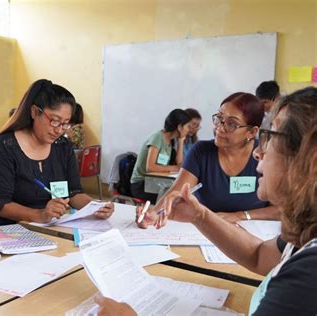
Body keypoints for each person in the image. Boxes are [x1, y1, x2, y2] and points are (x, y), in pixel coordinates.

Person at [97, 86, 317, 316]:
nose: (258, 152)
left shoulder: (308, 275)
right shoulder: (303, 237)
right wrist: (199, 215)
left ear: (308, 160)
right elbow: (260, 255)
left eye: (270, 136)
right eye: (219, 119)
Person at [0, 79, 114, 225]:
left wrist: (96, 207)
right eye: (55, 120)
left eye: (65, 124)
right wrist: (40, 215)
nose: (59, 130)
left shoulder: (63, 147)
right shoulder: (5, 147)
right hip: (9, 228)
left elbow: (74, 193)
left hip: (51, 225)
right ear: (34, 112)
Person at [140, 93, 278, 224]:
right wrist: (153, 213)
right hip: (206, 233)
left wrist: (240, 215)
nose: (219, 128)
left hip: (255, 235)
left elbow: (280, 210)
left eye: (231, 124)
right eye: (219, 118)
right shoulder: (201, 152)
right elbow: (176, 193)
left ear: (252, 132)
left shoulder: (265, 155)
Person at [130, 109, 192, 203]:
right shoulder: (158, 137)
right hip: (141, 184)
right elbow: (150, 167)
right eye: (187, 126)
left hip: (154, 182)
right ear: (179, 127)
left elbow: (180, 164)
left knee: (179, 195)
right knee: (175, 198)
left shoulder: (170, 141)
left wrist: (180, 142)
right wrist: (175, 168)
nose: (189, 130)